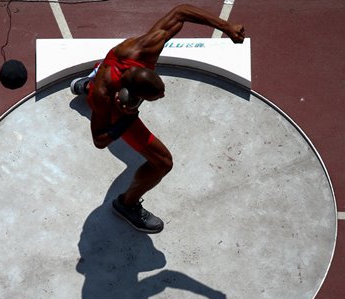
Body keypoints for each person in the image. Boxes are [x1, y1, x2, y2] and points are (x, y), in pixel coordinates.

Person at [71, 4, 245, 234]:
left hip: (109, 69)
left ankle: (85, 83)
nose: (163, 96)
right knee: (162, 163)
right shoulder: (104, 97)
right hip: (111, 104)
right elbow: (100, 141)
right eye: (155, 97)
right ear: (131, 95)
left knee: (104, 70)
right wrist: (127, 118)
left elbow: (181, 11)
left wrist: (227, 27)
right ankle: (126, 205)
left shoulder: (147, 47)